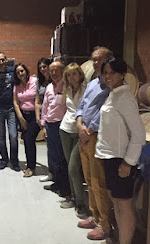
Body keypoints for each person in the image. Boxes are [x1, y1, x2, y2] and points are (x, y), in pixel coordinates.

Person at [96, 58, 145, 244]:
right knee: (116, 201)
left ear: (122, 74)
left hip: (121, 160)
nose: (108, 76)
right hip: (110, 157)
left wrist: (128, 162)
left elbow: (139, 134)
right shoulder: (113, 94)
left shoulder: (125, 98)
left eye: (112, 73)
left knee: (124, 205)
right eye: (105, 72)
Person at [75, 46, 114, 241]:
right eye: (94, 59)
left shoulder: (110, 84)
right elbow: (82, 106)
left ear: (108, 60)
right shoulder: (92, 84)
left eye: (100, 59)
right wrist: (80, 124)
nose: (96, 63)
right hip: (84, 134)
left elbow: (106, 109)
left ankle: (105, 225)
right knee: (89, 179)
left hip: (96, 136)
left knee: (99, 181)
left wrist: (89, 129)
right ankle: (94, 215)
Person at [58, 63, 88, 216]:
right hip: (65, 129)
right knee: (71, 167)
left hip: (80, 131)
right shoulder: (67, 89)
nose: (71, 77)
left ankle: (81, 203)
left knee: (73, 167)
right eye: (68, 75)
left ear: (80, 74)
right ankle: (74, 198)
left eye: (74, 74)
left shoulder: (86, 89)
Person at [41, 61, 70, 197]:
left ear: (63, 71)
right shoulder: (48, 87)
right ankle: (57, 183)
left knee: (61, 157)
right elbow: (45, 106)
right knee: (52, 155)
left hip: (61, 124)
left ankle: (64, 187)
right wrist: (43, 124)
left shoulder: (67, 86)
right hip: (49, 124)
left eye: (56, 70)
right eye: (51, 70)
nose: (53, 73)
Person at [0, 52, 20, 171]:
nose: (1, 62)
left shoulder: (14, 71)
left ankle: (14, 160)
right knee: (0, 136)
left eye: (3, 60)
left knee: (13, 135)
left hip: (12, 107)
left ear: (6, 60)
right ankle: (4, 159)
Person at [13, 63, 41, 177]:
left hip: (35, 115)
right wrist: (21, 118)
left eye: (22, 71)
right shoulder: (17, 85)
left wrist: (39, 117)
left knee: (29, 139)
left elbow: (38, 99)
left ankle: (31, 167)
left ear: (26, 71)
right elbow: (15, 102)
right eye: (18, 72)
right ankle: (30, 165)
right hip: (24, 115)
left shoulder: (35, 81)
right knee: (26, 140)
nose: (20, 74)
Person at [34, 58, 53, 182]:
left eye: (45, 67)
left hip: (52, 117)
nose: (43, 70)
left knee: (53, 146)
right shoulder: (40, 83)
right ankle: (50, 171)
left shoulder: (56, 81)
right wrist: (38, 117)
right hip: (41, 116)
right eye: (40, 67)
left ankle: (55, 172)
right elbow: (37, 101)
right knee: (49, 145)